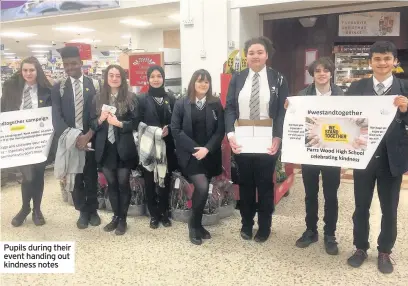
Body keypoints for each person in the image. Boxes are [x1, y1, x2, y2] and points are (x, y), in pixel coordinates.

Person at [345, 41, 408, 274]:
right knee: (361, 207)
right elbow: (342, 117)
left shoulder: (405, 88)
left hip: (393, 160)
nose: (382, 63)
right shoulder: (356, 87)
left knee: (389, 209)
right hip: (363, 157)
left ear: (395, 61)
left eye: (387, 58)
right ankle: (360, 247)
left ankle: (385, 251)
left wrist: (406, 110)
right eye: (378, 59)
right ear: (370, 62)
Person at [224, 36, 289, 243]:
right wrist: (230, 135)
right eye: (251, 52)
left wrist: (278, 137)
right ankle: (246, 223)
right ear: (246, 56)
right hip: (242, 139)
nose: (255, 56)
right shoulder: (238, 78)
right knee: (245, 184)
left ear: (267, 55)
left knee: (265, 184)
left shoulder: (278, 78)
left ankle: (265, 225)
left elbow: (281, 112)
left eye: (260, 52)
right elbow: (230, 108)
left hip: (267, 139)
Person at [284, 57, 343, 255]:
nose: (322, 73)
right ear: (313, 74)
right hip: (310, 151)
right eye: (318, 71)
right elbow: (296, 122)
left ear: (331, 73)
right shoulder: (302, 95)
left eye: (326, 70)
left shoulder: (342, 95)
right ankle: (311, 230)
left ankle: (330, 234)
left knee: (331, 195)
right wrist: (289, 110)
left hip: (333, 152)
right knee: (310, 195)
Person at [171, 69, 225, 245]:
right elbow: (176, 130)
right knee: (201, 187)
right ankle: (193, 225)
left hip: (209, 155)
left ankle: (199, 225)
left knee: (204, 188)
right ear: (193, 82)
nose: (203, 84)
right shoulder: (181, 103)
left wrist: (207, 149)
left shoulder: (215, 103)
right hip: (189, 155)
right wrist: (196, 149)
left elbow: (220, 131)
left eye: (206, 82)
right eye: (200, 81)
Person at [51, 46, 101, 229]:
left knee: (91, 176)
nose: (69, 67)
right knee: (76, 177)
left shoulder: (94, 85)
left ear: (81, 63)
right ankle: (82, 211)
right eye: (66, 64)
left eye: (73, 63)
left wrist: (88, 136)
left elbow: (99, 113)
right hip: (70, 141)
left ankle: (93, 210)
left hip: (91, 139)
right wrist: (74, 137)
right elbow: (56, 117)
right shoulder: (59, 88)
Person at [1, 56, 52, 227]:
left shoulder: (46, 90)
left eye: (32, 70)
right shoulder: (10, 88)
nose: (28, 73)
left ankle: (37, 210)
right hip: (20, 141)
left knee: (38, 175)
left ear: (37, 71)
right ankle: (25, 208)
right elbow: (3, 110)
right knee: (28, 176)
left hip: (40, 142)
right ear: (20, 71)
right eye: (25, 70)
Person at [90, 65, 138, 235]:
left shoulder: (131, 98)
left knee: (123, 184)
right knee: (111, 185)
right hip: (105, 148)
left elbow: (136, 123)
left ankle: (123, 219)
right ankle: (115, 217)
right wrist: (100, 119)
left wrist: (120, 124)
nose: (114, 78)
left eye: (118, 75)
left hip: (123, 147)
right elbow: (92, 124)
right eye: (111, 75)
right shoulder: (97, 98)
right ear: (106, 77)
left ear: (122, 78)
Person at [135, 65, 178, 229]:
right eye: (152, 76)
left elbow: (176, 121)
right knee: (149, 181)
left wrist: (170, 129)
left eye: (159, 76)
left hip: (166, 146)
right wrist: (153, 131)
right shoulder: (141, 99)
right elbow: (137, 122)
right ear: (148, 79)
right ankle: (153, 215)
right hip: (148, 146)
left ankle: (164, 213)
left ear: (163, 78)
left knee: (165, 181)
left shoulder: (171, 98)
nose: (155, 79)